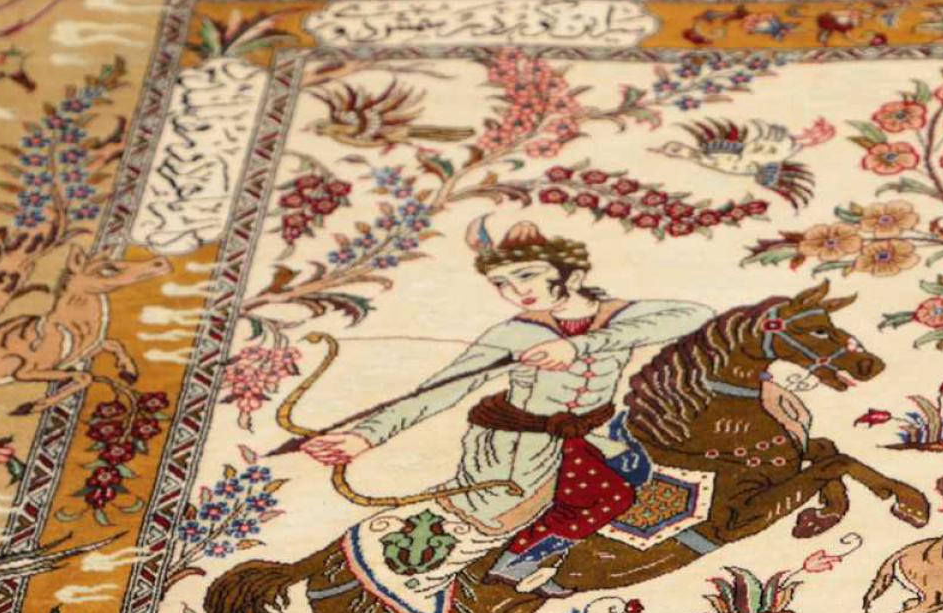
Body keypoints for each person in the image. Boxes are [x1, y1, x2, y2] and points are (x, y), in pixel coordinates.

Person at [300, 219, 713, 591]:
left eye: (527, 275)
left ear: (573, 275)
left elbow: (696, 314)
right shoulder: (512, 334)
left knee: (644, 469)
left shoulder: (617, 316)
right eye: (501, 284)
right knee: (604, 497)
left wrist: (581, 345)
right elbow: (440, 391)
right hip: (521, 446)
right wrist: (364, 436)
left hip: (593, 433)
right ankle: (515, 565)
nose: (517, 292)